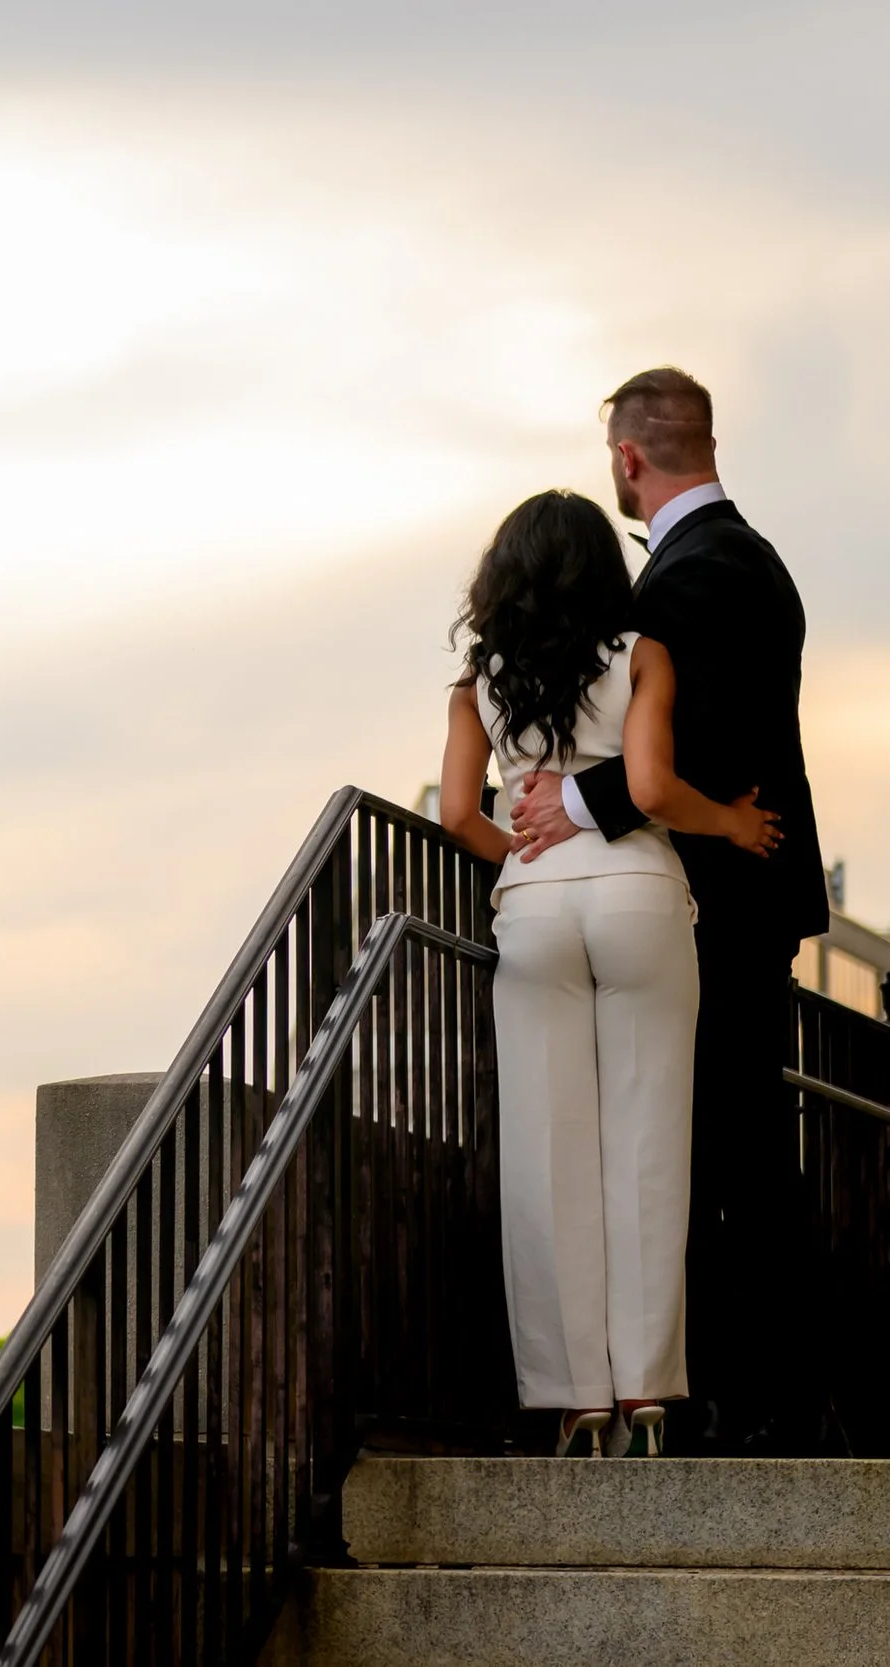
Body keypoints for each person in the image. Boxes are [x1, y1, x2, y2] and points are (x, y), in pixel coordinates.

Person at [510, 369, 832, 1455]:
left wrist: (573, 798)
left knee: (727, 1145)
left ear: (629, 458)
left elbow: (697, 744)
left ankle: (759, 1401)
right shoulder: (740, 559)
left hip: (724, 900)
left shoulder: (699, 576)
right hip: (731, 890)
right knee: (725, 1140)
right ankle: (737, 1395)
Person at [438, 489, 777, 1457]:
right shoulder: (643, 656)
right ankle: (647, 1396)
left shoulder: (478, 684)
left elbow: (461, 814)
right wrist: (733, 822)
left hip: (537, 908)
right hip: (636, 896)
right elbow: (649, 789)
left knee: (548, 1157)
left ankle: (573, 1399)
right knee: (646, 1142)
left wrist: (525, 843)